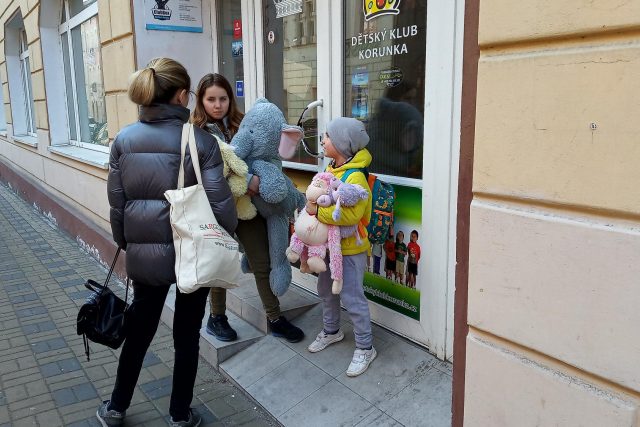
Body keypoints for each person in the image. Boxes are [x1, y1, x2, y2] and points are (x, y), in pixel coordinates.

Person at [99, 58, 237, 427]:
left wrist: (128, 244)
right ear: (181, 95)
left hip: (145, 255)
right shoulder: (203, 141)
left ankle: (115, 408)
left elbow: (118, 205)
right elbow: (222, 207)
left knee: (139, 333)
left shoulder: (123, 141)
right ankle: (179, 415)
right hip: (193, 252)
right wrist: (228, 235)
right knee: (187, 336)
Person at [191, 73, 304, 343]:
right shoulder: (197, 132)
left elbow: (265, 153)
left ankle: (274, 317)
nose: (217, 105)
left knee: (262, 261)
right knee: (220, 261)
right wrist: (248, 179)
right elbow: (205, 172)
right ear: (201, 101)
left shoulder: (243, 123)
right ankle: (216, 317)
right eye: (211, 99)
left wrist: (264, 179)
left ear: (230, 99)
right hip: (217, 209)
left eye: (223, 98)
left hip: (248, 208)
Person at [305, 117, 376, 377]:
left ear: (343, 144)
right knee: (325, 289)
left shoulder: (355, 176)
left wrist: (316, 211)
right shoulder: (331, 168)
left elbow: (349, 216)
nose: (322, 140)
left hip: (350, 250)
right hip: (327, 248)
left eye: (327, 136)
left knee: (352, 298)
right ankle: (332, 331)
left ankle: (365, 347)